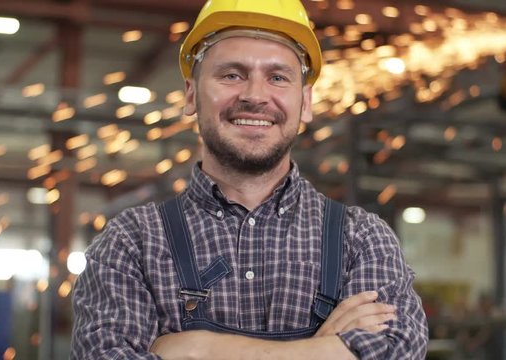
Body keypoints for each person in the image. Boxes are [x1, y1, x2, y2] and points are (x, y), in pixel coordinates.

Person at [70, 0, 428, 359]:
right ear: (191, 93)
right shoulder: (132, 243)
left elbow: (398, 350)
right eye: (231, 75)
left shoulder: (362, 239)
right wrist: (324, 349)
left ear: (305, 102)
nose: (255, 96)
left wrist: (196, 348)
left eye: (277, 77)